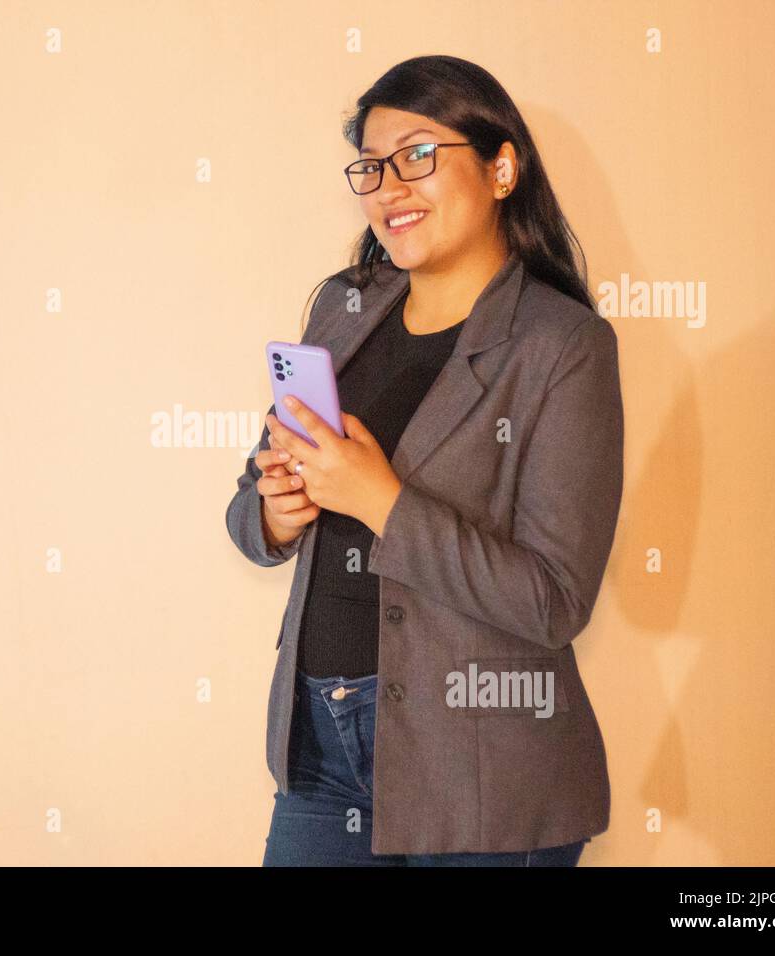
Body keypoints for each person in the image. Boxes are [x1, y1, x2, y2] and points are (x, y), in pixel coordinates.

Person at [224, 55, 624, 866]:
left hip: (480, 764)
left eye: (417, 156)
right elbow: (246, 510)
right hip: (319, 742)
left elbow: (554, 600)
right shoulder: (344, 307)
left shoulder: (564, 347)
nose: (386, 190)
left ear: (502, 166)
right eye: (371, 167)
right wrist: (275, 510)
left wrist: (384, 504)